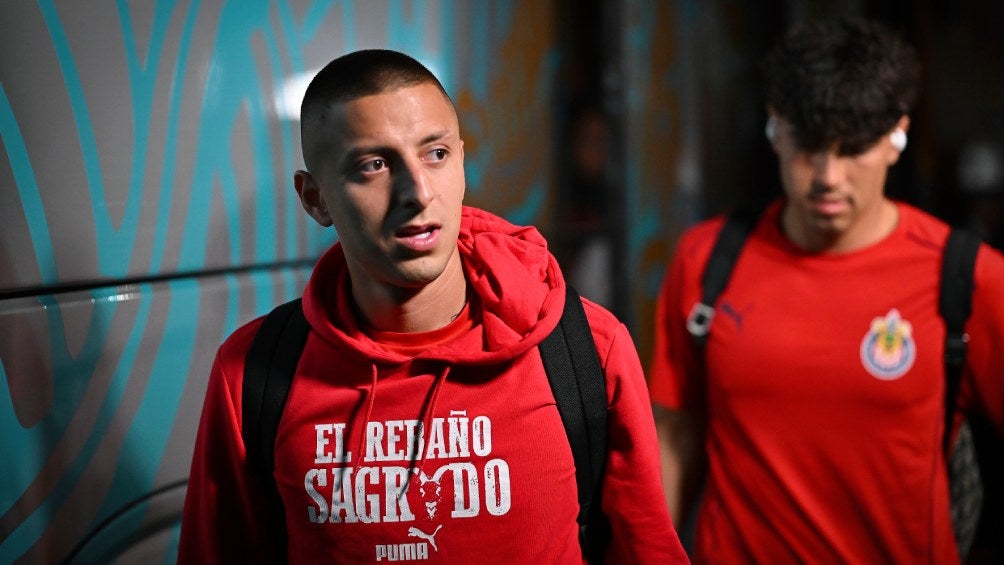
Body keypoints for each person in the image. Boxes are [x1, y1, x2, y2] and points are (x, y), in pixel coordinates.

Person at [178, 49, 688, 563]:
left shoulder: (585, 348)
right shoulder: (253, 373)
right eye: (374, 165)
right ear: (315, 198)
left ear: (461, 161)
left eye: (436, 153)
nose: (417, 192)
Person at [649, 17, 1004, 564]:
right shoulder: (707, 260)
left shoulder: (967, 276)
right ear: (775, 128)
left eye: (853, 148)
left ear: (897, 137)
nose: (828, 176)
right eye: (808, 146)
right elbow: (675, 436)